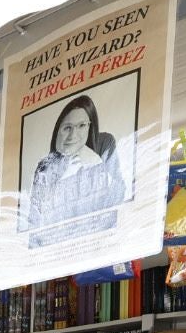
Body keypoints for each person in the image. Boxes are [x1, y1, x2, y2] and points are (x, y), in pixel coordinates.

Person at [27, 94, 125, 237]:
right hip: (58, 245)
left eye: (81, 126)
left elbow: (119, 196)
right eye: (67, 128)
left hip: (97, 240)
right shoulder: (46, 166)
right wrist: (64, 177)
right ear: (58, 130)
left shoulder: (104, 143)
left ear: (90, 126)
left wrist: (97, 164)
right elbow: (35, 219)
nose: (73, 135)